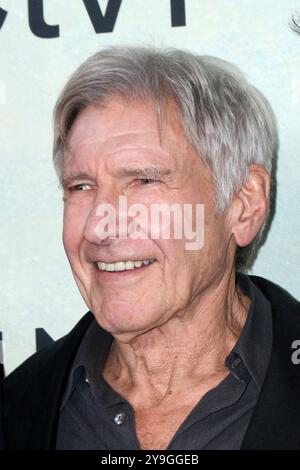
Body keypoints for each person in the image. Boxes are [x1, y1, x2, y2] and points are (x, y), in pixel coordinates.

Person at [1, 46, 300, 450]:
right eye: (81, 187)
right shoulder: (18, 410)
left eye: (143, 181)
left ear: (244, 205)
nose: (97, 226)